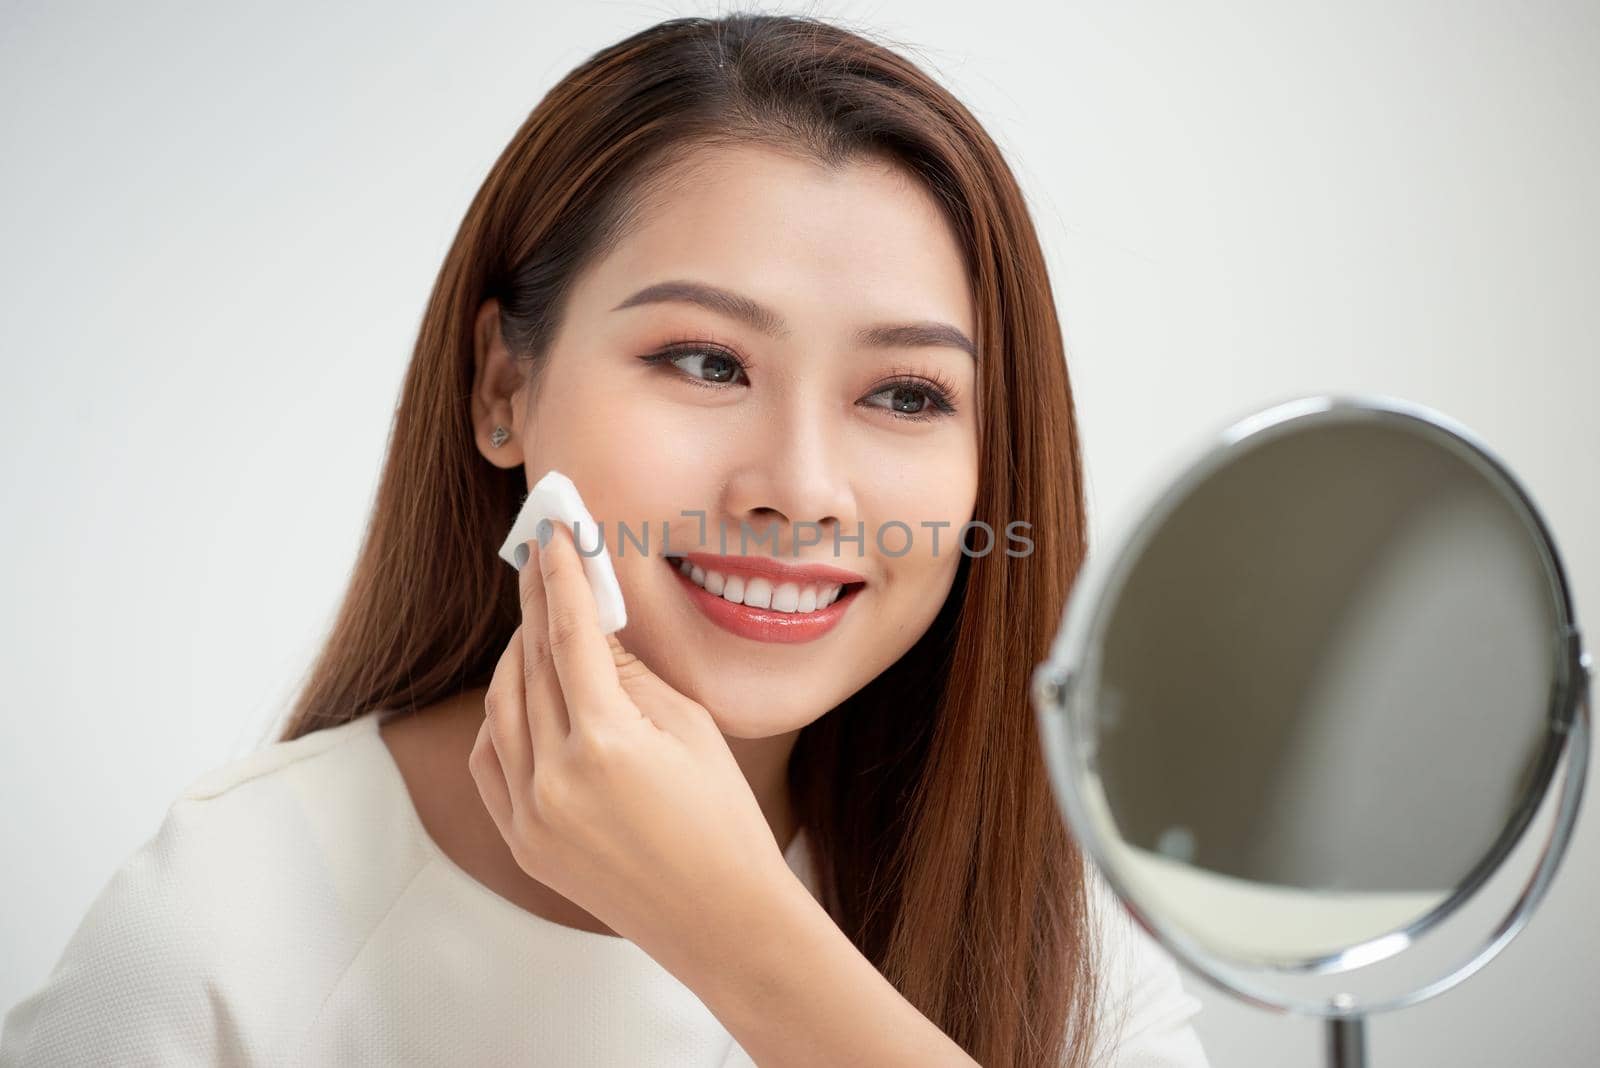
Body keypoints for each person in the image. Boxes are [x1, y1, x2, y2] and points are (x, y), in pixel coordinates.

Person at [0, 12, 1210, 1067]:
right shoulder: (226, 921)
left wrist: (733, 932)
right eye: (704, 361)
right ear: (500, 389)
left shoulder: (1055, 943)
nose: (799, 490)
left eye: (904, 395)